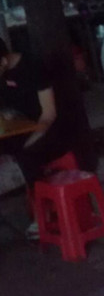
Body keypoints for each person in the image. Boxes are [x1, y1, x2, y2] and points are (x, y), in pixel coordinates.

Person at [0, 39, 72, 199]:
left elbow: (49, 113)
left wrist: (31, 139)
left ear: (4, 60)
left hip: (49, 129)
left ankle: (43, 209)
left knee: (25, 155)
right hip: (19, 131)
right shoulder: (3, 74)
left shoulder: (33, 67)